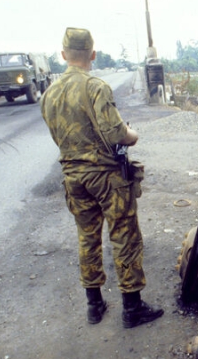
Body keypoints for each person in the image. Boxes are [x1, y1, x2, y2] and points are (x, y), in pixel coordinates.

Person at [40, 27, 163, 329]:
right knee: (124, 235)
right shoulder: (96, 87)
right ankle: (132, 309)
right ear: (92, 54)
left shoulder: (49, 94)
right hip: (106, 178)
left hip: (73, 177)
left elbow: (58, 135)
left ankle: (94, 306)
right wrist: (132, 135)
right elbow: (117, 134)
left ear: (63, 54)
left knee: (87, 237)